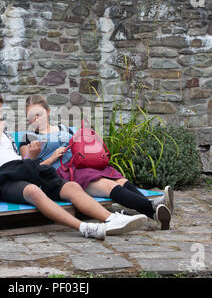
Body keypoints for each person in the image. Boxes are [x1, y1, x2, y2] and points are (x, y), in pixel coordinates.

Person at [0, 90, 148, 240]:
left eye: (0, 112)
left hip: (20, 171)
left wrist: (31, 157)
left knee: (71, 186)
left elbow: (20, 162)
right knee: (33, 191)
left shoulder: (2, 133)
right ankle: (84, 227)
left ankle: (111, 219)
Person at [20, 94, 174, 230]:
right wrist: (52, 157)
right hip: (65, 174)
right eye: (31, 117)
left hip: (83, 164)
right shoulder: (28, 138)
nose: (35, 120)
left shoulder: (65, 129)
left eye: (38, 114)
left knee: (120, 180)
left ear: (47, 112)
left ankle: (154, 206)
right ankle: (152, 209)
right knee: (108, 185)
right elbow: (27, 169)